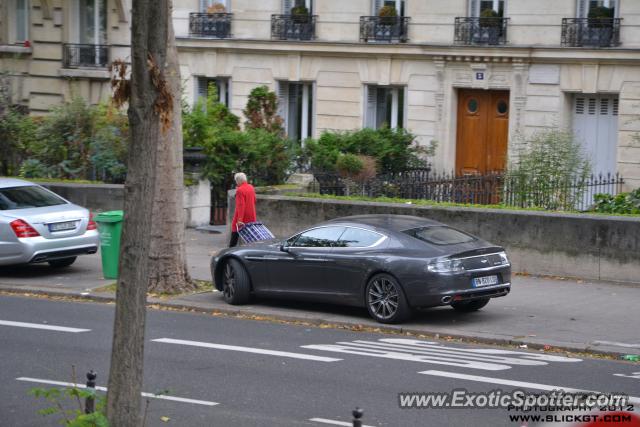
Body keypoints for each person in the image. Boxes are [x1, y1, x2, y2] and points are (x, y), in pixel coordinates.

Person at [229, 172, 256, 247]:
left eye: (236, 181)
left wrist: (240, 219)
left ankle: (231, 249)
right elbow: (254, 200)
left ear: (238, 181)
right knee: (249, 233)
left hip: (242, 215)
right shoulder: (251, 187)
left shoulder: (240, 190)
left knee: (235, 229)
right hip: (251, 213)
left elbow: (241, 205)